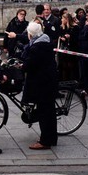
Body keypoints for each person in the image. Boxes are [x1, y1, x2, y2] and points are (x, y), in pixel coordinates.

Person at [21, 21, 58, 150]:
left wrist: (22, 66)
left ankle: (45, 141)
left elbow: (30, 65)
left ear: (31, 35)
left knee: (44, 113)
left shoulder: (36, 48)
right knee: (50, 112)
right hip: (49, 81)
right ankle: (51, 138)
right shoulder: (46, 41)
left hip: (42, 84)